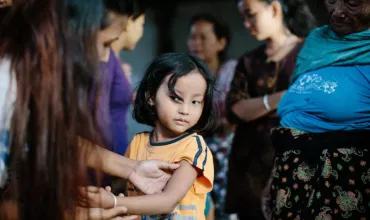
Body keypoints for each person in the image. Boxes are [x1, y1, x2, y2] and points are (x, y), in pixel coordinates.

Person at [0, 0, 178, 219]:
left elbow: (48, 138)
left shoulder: (29, 79)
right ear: (71, 30)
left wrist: (132, 169)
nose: (106, 59)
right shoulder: (6, 82)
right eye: (105, 44)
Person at [268, 0, 370, 219]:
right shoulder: (316, 41)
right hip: (290, 172)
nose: (337, 12)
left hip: (346, 177)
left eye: (352, 3)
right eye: (332, 0)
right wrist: (274, 177)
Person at [84, 52, 216, 219]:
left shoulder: (193, 147)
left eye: (195, 102)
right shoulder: (138, 142)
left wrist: (114, 202)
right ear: (151, 96)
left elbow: (167, 201)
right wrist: (111, 197)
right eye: (176, 98)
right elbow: (120, 188)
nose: (185, 110)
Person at [225, 0, 316, 219]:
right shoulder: (248, 61)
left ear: (274, 9)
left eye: (250, 15)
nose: (246, 23)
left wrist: (258, 106)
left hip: (298, 161)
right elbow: (235, 110)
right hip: (249, 167)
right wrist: (283, 97)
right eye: (243, 18)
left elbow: (311, 103)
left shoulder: (310, 52)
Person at [187, 13, 237, 220]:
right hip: (194, 150)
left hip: (225, 151)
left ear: (221, 42)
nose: (195, 43)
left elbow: (233, 116)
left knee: (225, 207)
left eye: (203, 37)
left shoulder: (231, 71)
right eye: (192, 37)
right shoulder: (186, 74)